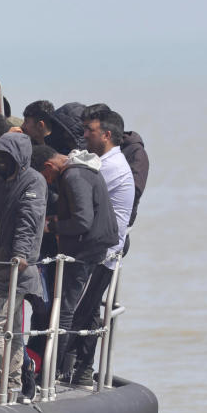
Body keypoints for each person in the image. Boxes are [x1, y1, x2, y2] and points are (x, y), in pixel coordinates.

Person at [31, 145, 118, 385]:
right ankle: (52, 369)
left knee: (66, 311)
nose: (48, 183)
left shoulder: (73, 175)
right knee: (66, 309)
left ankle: (50, 373)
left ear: (48, 167)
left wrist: (52, 228)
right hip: (87, 250)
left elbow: (82, 220)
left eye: (45, 178)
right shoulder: (81, 171)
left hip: (85, 254)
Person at [59, 109, 134, 385]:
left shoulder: (111, 167)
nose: (85, 135)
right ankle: (77, 370)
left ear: (107, 134)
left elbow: (82, 198)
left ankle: (71, 369)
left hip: (101, 254)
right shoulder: (102, 162)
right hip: (96, 251)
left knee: (77, 311)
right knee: (85, 311)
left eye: (90, 130)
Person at [0, 132, 46, 404]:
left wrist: (21, 255)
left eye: (6, 158)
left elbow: (28, 221)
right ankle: (17, 381)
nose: (1, 163)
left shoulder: (33, 183)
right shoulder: (0, 184)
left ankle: (4, 381)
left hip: (17, 270)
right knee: (11, 330)